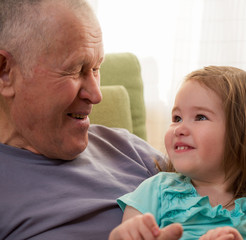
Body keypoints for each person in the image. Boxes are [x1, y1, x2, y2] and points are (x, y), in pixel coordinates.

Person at [0, 0, 182, 239]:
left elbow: (225, 196)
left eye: (96, 69)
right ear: (5, 71)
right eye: (75, 69)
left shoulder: (127, 147)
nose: (97, 95)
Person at [109, 66, 246, 240]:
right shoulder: (156, 190)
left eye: (200, 117)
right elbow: (127, 234)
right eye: (177, 117)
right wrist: (123, 235)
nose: (179, 129)